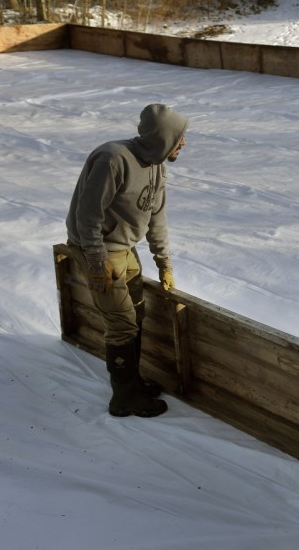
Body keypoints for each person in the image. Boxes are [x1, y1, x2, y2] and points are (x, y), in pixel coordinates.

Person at [66, 103, 189, 418]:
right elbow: (87, 216)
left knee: (136, 315)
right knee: (121, 324)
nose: (183, 144)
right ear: (162, 138)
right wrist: (96, 263)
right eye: (179, 138)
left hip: (124, 248)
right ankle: (123, 399)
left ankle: (132, 383)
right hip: (98, 250)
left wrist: (165, 265)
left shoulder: (157, 166)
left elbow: (156, 219)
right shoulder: (112, 159)